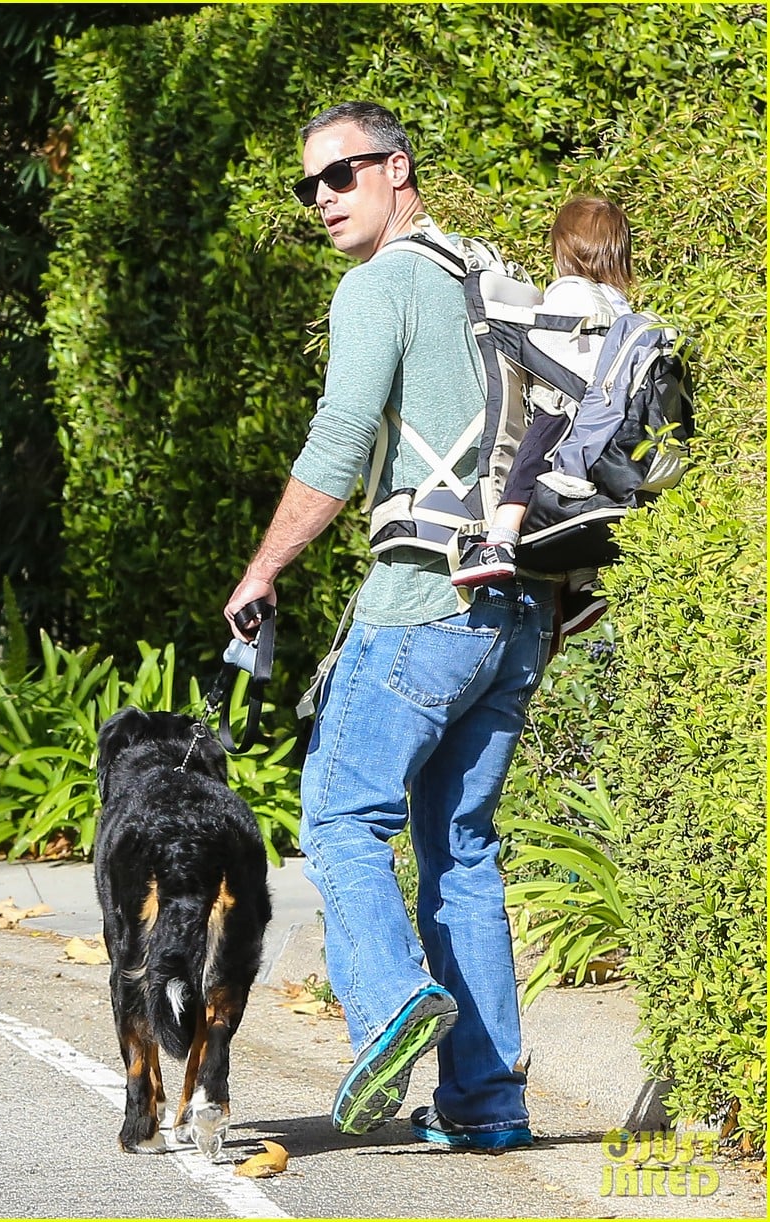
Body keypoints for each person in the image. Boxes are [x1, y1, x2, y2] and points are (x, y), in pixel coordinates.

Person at [224, 101, 556, 1151]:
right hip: (515, 606)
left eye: (341, 175)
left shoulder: (380, 286)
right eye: (309, 185)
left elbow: (337, 440)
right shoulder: (482, 279)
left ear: (396, 169)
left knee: (337, 815)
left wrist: (264, 566)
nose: (322, 198)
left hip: (423, 601)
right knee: (458, 846)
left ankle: (387, 1009)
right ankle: (485, 1101)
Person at [451, 196, 633, 589]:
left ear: (563, 250)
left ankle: (498, 542)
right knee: (577, 502)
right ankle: (583, 582)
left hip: (565, 412)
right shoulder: (621, 303)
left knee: (525, 469)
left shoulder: (570, 291)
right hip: (610, 427)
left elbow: (543, 340)